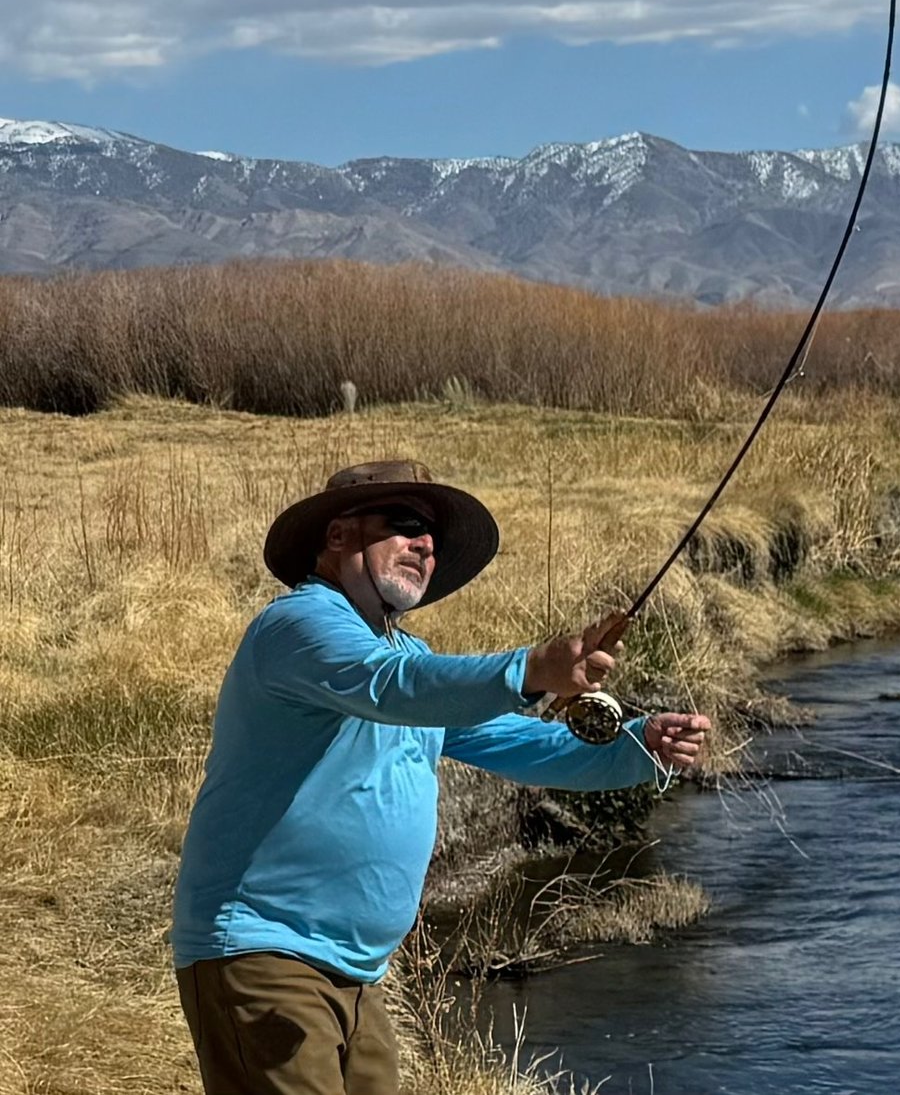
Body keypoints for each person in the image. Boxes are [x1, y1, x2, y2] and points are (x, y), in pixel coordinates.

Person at [172, 459, 712, 1095]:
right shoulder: (299, 625)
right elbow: (390, 687)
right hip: (262, 952)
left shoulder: (412, 660)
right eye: (403, 524)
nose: (426, 543)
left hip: (357, 972)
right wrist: (531, 668)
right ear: (338, 536)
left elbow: (519, 743)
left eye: (432, 535)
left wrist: (638, 744)